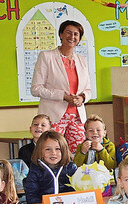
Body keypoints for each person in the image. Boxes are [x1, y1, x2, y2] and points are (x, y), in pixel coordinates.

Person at [30, 20, 91, 154]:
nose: (72, 37)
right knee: (52, 153)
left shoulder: (81, 60)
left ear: (79, 39)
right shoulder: (46, 56)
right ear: (61, 35)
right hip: (54, 116)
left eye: (76, 34)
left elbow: (88, 89)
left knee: (79, 154)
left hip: (77, 117)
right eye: (68, 32)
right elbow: (36, 88)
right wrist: (62, 96)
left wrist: (82, 98)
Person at [23, 131, 78, 204]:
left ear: (64, 150)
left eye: (57, 149)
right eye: (48, 149)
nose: (53, 153)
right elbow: (31, 195)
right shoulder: (35, 169)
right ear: (40, 151)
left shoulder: (70, 168)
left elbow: (77, 191)